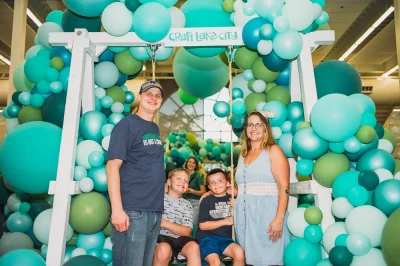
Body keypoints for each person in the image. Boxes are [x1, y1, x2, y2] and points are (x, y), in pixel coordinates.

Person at [106, 80, 165, 266]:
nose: (153, 98)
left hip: (153, 210)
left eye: (158, 95)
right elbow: (112, 166)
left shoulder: (154, 128)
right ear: (139, 97)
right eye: (149, 93)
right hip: (132, 210)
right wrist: (117, 210)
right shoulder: (126, 125)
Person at [235, 110, 290, 265]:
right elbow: (242, 187)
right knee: (250, 261)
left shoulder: (273, 151)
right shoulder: (243, 154)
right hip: (245, 217)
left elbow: (284, 187)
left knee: (270, 260)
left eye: (258, 124)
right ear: (245, 129)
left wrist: (278, 220)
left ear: (266, 128)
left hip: (267, 215)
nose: (254, 128)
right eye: (250, 124)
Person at [153, 168, 201, 266]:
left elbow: (186, 231)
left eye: (186, 181)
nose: (182, 182)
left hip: (180, 240)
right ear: (169, 181)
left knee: (194, 247)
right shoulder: (159, 198)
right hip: (160, 239)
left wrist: (165, 223)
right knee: (163, 249)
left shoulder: (187, 204)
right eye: (179, 178)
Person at [197, 168, 245, 266]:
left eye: (220, 181)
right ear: (209, 187)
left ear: (228, 184)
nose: (216, 184)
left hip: (226, 240)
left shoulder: (233, 200)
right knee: (215, 262)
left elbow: (242, 218)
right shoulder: (206, 200)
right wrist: (225, 221)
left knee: (239, 253)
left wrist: (237, 207)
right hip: (207, 239)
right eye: (212, 182)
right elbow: (203, 225)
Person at [183, 156, 206, 225]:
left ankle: (193, 236)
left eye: (193, 163)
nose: (191, 164)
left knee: (192, 224)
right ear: (186, 163)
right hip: (184, 202)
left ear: (196, 165)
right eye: (189, 162)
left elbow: (203, 192)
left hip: (194, 203)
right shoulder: (183, 175)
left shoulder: (198, 176)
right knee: (184, 224)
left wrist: (192, 191)